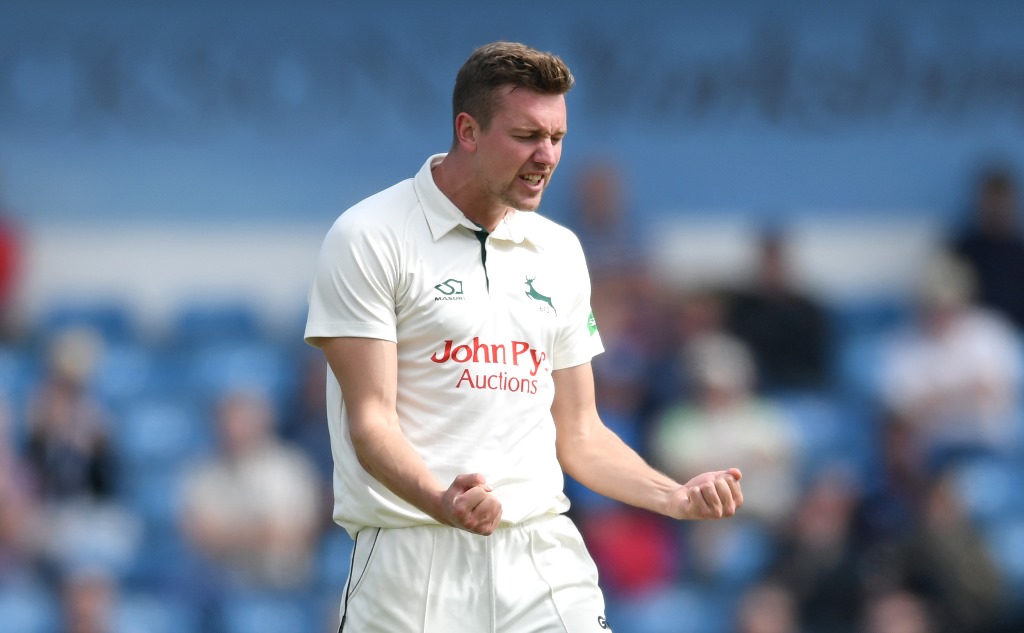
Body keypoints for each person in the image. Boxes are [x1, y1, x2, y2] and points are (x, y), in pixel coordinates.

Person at [304, 41, 744, 633]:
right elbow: (371, 424)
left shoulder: (559, 250)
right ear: (468, 130)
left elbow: (581, 434)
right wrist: (442, 501)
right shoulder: (368, 236)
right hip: (413, 561)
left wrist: (674, 496)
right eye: (527, 136)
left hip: (542, 558)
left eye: (557, 138)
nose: (547, 156)